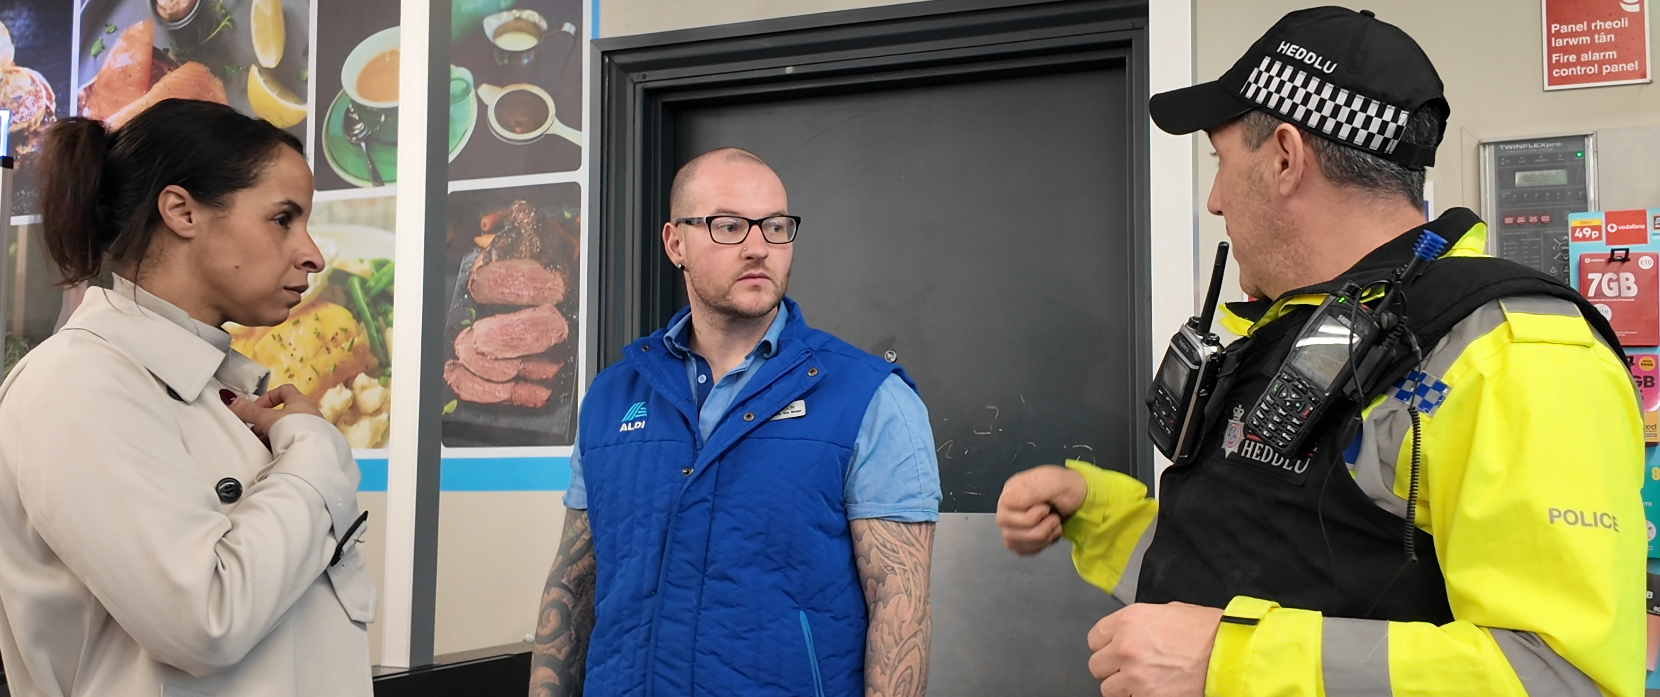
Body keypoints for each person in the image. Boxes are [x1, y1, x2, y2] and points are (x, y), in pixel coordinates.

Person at [996, 7, 1642, 697]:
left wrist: (1231, 660)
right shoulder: (1288, 333)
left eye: (1220, 161)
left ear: (1283, 157)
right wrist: (1095, 512)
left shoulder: (1513, 354)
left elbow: (1567, 677)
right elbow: (1250, 552)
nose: (1214, 200)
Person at [529, 147, 941, 697]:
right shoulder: (612, 396)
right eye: (728, 226)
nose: (758, 246)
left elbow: (901, 608)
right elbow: (572, 586)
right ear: (675, 243)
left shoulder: (871, 399)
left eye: (775, 226)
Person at [0, 99, 376, 696]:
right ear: (181, 211)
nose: (313, 254)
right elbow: (207, 620)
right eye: (283, 218)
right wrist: (313, 450)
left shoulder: (213, 385)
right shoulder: (76, 384)